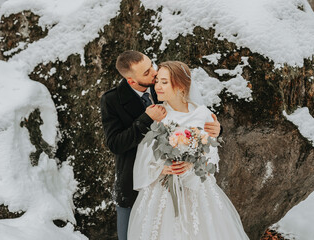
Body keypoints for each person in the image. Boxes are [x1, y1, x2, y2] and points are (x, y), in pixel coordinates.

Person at [100, 51, 222, 240]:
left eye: (152, 66)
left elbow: (191, 118)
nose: (155, 74)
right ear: (132, 81)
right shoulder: (112, 100)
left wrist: (214, 130)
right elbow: (115, 144)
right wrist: (146, 119)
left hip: (186, 185)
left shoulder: (164, 85)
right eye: (147, 72)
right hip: (135, 182)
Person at [127, 61, 249, 239]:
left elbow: (212, 154)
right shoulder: (158, 115)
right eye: (157, 81)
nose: (158, 87)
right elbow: (144, 156)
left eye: (164, 82)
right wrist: (162, 168)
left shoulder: (202, 114)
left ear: (181, 85)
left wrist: (193, 164)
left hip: (197, 190)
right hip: (164, 191)